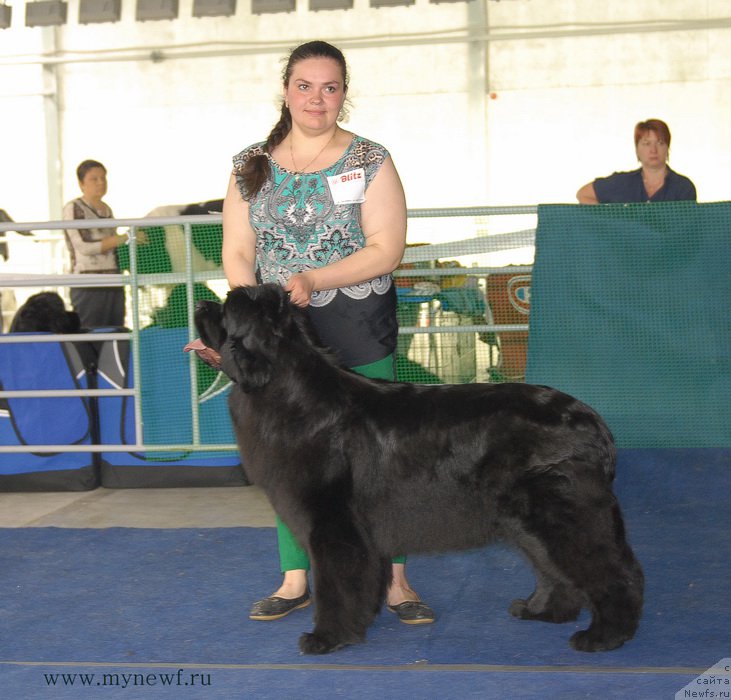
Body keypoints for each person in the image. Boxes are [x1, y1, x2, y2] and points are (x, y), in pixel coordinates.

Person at [221, 40, 435, 625]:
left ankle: (396, 581)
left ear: (344, 93)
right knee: (287, 456)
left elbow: (385, 250)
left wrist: (315, 277)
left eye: (331, 87)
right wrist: (256, 305)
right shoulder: (249, 164)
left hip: (357, 320)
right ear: (286, 90)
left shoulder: (370, 159)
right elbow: (238, 250)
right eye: (306, 85)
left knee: (382, 458)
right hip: (279, 331)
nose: (318, 98)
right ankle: (295, 579)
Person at [63, 160, 146, 328]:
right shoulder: (74, 208)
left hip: (114, 281)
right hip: (88, 283)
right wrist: (124, 238)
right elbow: (84, 246)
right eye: (94, 179)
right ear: (81, 184)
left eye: (103, 178)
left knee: (116, 328)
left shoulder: (107, 209)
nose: (101, 182)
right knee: (90, 330)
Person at [576, 119, 697, 204]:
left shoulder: (683, 187)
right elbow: (583, 194)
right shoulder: (622, 183)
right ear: (637, 149)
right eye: (646, 143)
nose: (653, 150)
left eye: (660, 143)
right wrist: (609, 226)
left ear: (668, 147)